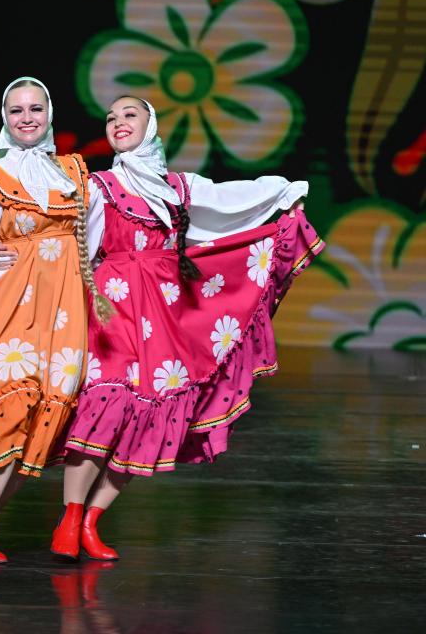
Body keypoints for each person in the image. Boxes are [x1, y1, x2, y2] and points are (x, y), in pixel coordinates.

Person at [50, 95, 323, 560]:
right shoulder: (98, 187)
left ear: (151, 125)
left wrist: (283, 194)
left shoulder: (177, 188)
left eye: (130, 115)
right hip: (113, 306)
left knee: (151, 413)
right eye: (112, 117)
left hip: (164, 311)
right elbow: (70, 240)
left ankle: (93, 520)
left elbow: (233, 199)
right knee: (106, 402)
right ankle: (70, 518)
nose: (118, 122)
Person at [0, 77, 107, 573]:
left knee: (40, 423)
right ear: (5, 118)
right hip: (7, 306)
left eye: (35, 108)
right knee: (7, 415)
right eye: (16, 110)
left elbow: (93, 241)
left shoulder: (75, 174)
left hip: (62, 312)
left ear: (49, 113)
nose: (27, 117)